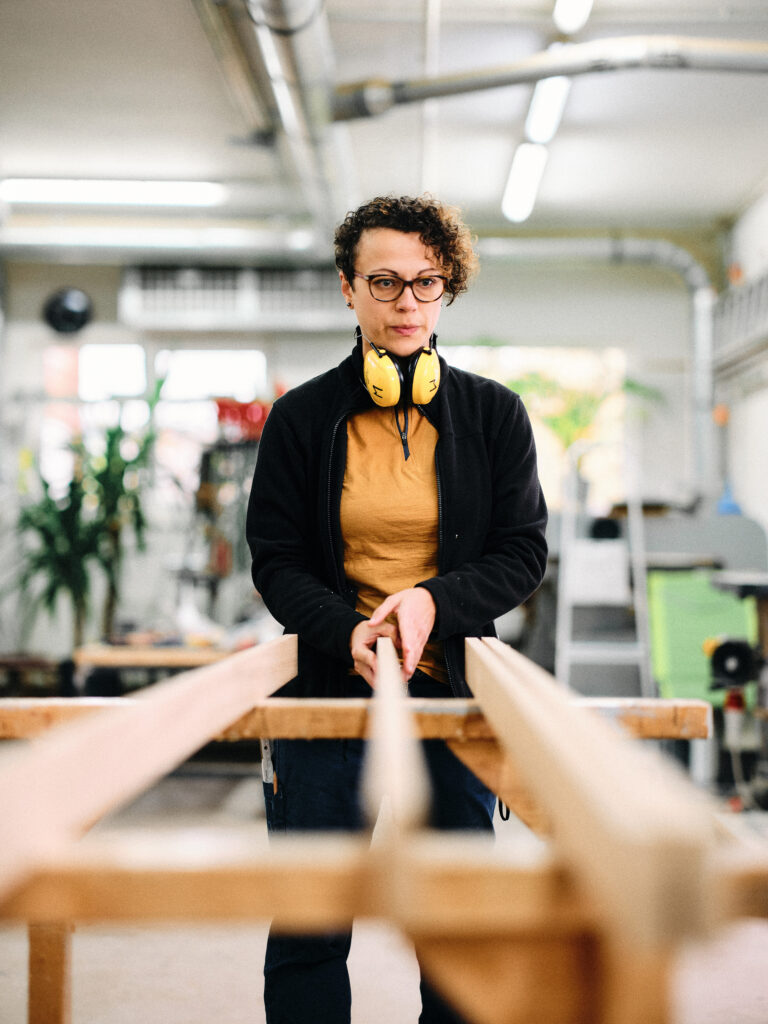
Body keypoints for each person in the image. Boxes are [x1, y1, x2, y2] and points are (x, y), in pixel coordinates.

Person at [246, 194, 548, 1024]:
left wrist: (433, 601)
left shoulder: (493, 415)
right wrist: (346, 631)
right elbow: (275, 559)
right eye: (384, 282)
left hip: (451, 698)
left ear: (448, 291)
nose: (407, 302)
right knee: (312, 920)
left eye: (426, 283)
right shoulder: (302, 418)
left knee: (457, 923)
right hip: (325, 701)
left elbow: (522, 551)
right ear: (348, 289)